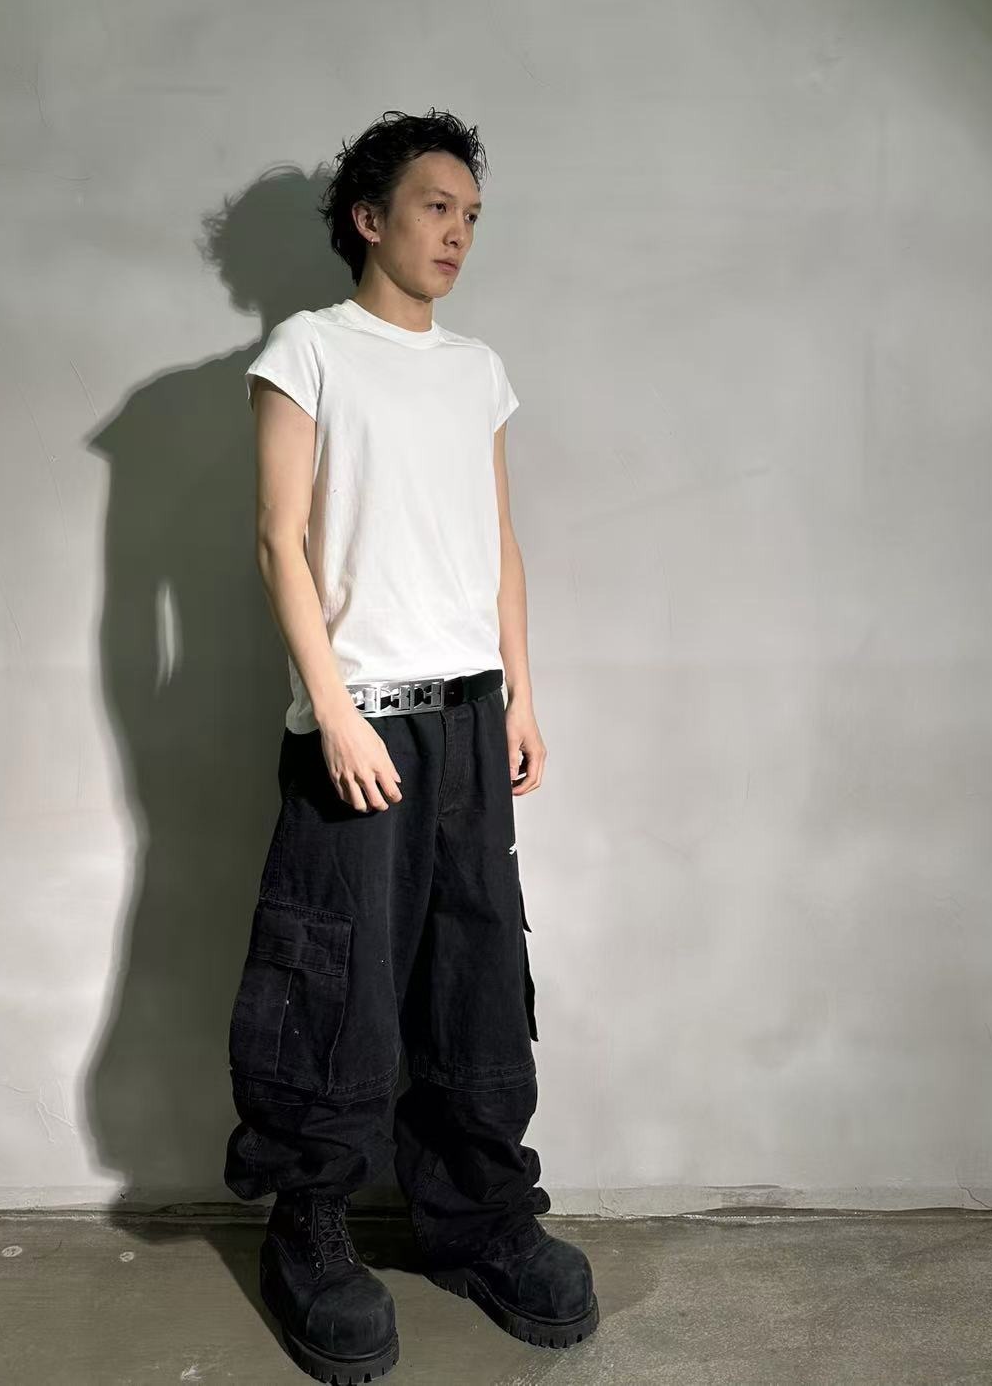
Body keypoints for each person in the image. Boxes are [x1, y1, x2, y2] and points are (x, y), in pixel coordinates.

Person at [224, 108, 598, 1382]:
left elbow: (497, 544)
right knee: (336, 975)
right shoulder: (308, 352)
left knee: (473, 967)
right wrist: (331, 711)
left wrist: (521, 698)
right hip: (363, 720)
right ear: (368, 217)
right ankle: (311, 1226)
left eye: (471, 216)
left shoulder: (475, 370)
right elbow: (278, 541)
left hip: (470, 716)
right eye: (436, 207)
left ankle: (478, 1219)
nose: (457, 234)